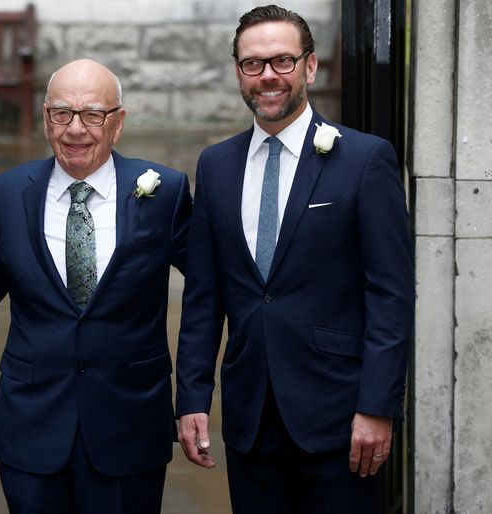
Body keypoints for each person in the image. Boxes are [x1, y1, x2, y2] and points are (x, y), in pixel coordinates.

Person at [175, 5, 414, 513]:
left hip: (341, 419)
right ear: (238, 71)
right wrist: (193, 396)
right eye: (252, 64)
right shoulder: (215, 166)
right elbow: (203, 295)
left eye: (282, 61)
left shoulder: (365, 160)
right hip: (250, 417)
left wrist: (377, 407)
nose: (267, 77)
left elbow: (390, 295)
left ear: (310, 67)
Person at [0, 59, 192, 514]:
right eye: (61, 113)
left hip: (129, 425)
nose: (75, 129)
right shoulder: (8, 193)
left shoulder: (164, 192)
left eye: (93, 114)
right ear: (45, 117)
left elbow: (211, 292)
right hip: (32, 428)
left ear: (118, 123)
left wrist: (194, 397)